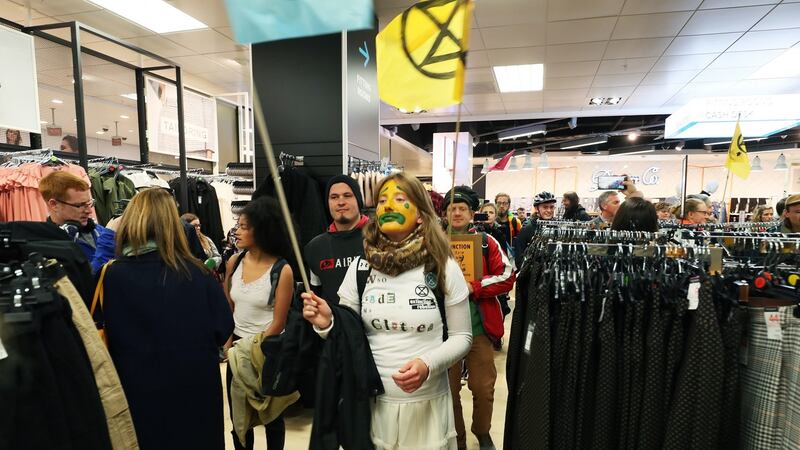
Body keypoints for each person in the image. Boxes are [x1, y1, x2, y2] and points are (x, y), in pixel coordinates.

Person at [302, 172, 472, 450]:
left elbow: (462, 337)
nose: (388, 206)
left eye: (399, 199)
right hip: (372, 407)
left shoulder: (442, 266)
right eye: (382, 200)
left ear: (420, 214)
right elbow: (347, 335)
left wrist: (427, 364)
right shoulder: (361, 267)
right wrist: (328, 323)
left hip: (427, 408)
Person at [95, 188, 234, 450]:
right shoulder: (197, 274)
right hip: (194, 390)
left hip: (135, 390)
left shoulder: (111, 276)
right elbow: (223, 327)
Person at [443, 186, 514, 450]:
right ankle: (458, 439)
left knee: (483, 388)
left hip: (479, 328)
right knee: (448, 392)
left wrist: (476, 286)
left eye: (462, 208)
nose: (457, 213)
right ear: (445, 213)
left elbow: (507, 276)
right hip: (445, 332)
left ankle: (482, 431)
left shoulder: (486, 242)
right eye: (452, 208)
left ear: (472, 213)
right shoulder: (433, 242)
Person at [223, 196, 295, 450]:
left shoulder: (282, 270)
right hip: (237, 351)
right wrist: (229, 343)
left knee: (271, 416)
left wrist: (253, 349)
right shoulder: (235, 262)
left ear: (262, 230)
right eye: (238, 225)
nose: (237, 231)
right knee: (239, 418)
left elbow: (279, 321)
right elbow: (228, 307)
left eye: (244, 226)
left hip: (267, 350)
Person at [305, 174, 369, 306]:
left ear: (358, 200)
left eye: (347, 195)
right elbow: (316, 293)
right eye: (334, 197)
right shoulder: (314, 248)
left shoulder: (381, 239)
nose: (340, 202)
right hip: (334, 324)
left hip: (373, 325)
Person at [39, 171, 114, 272]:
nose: (89, 211)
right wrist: (107, 245)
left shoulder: (99, 231)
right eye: (80, 205)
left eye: (89, 203)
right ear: (54, 204)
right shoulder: (47, 246)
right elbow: (86, 282)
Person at [513, 191, 557, 269]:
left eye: (551, 207)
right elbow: (519, 258)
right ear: (537, 209)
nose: (549, 210)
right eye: (545, 207)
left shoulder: (557, 226)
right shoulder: (527, 228)